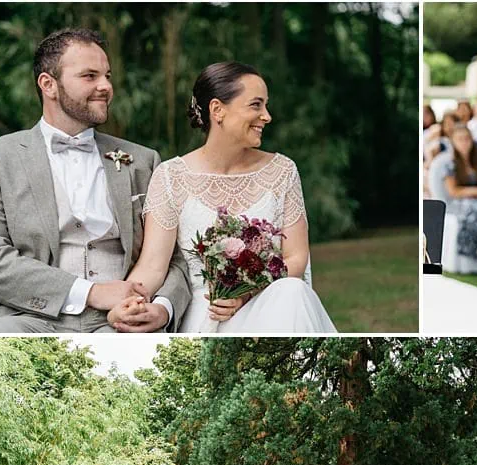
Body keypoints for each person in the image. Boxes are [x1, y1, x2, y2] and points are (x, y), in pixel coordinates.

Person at [0, 28, 191, 333]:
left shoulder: (144, 161)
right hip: (23, 316)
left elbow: (174, 258)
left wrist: (162, 309)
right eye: (90, 76)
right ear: (48, 84)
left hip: (120, 321)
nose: (105, 86)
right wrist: (92, 293)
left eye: (107, 75)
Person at [114, 61, 336, 333]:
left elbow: (297, 258)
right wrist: (130, 303)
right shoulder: (170, 176)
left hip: (269, 303)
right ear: (217, 110)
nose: (266, 116)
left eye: (266, 106)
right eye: (256, 105)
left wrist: (244, 293)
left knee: (291, 291)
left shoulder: (283, 171)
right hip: (204, 314)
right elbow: (152, 266)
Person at [444, 126, 477, 271]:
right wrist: (476, 191)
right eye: (460, 140)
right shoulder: (450, 165)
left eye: (467, 139)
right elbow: (453, 191)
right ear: (453, 142)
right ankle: (473, 249)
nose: (464, 143)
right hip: (460, 202)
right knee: (474, 207)